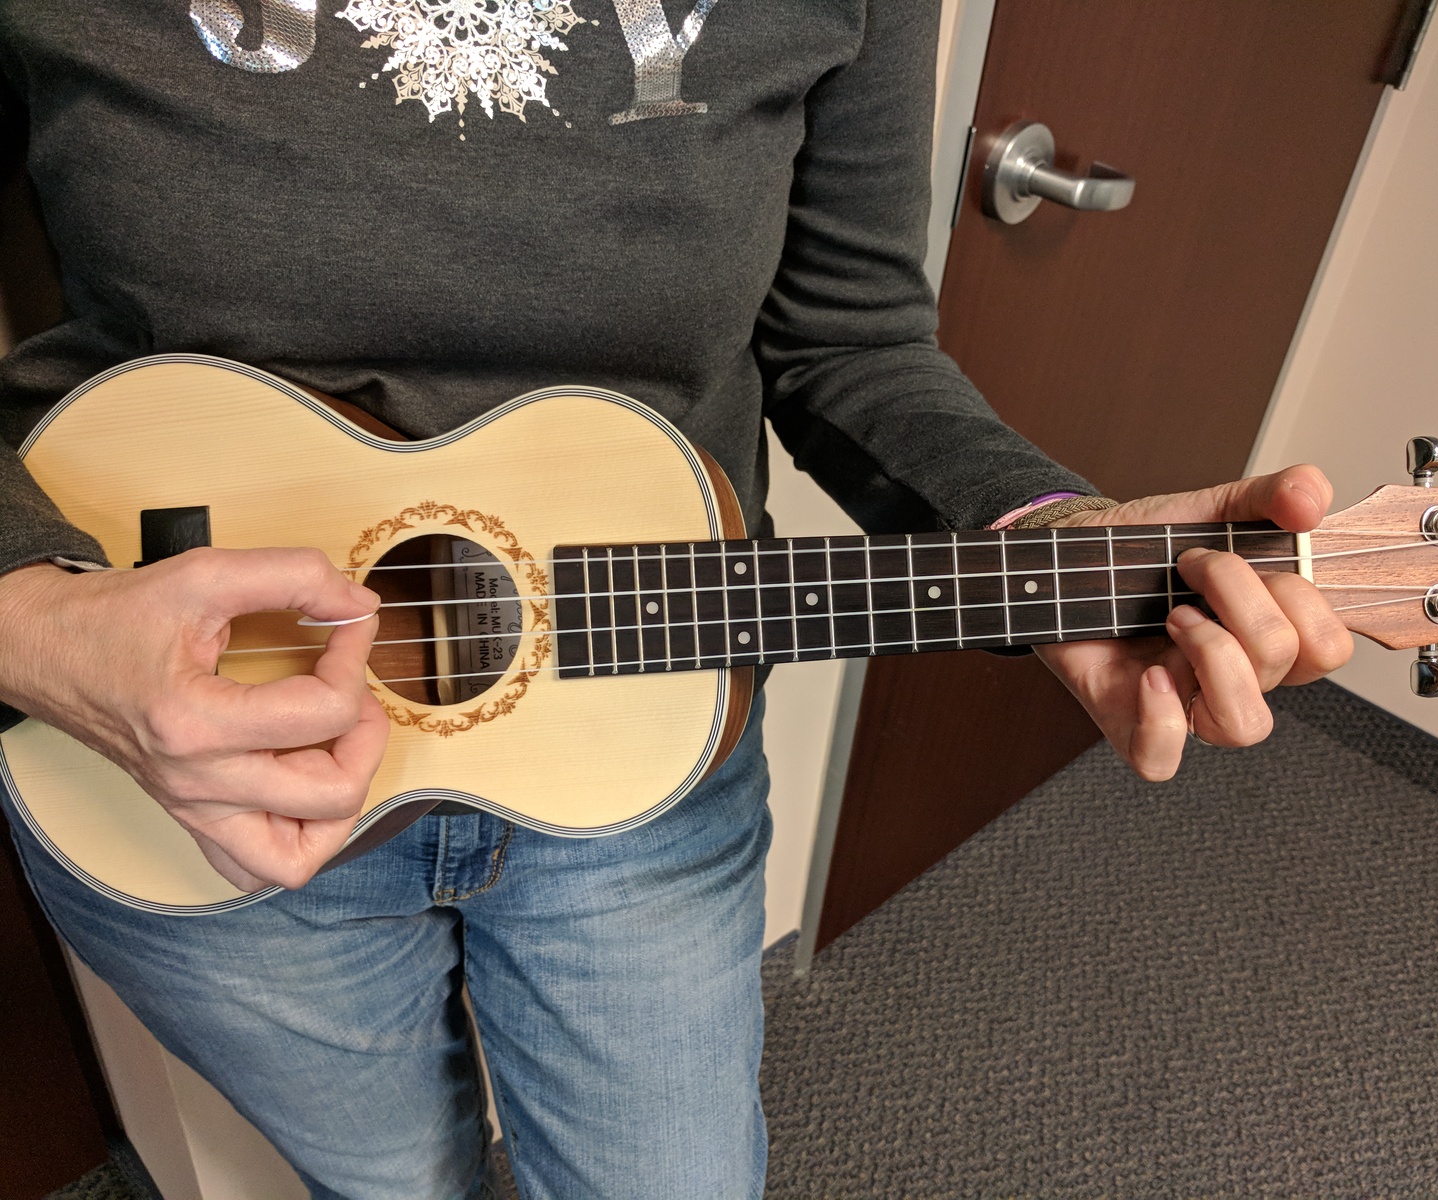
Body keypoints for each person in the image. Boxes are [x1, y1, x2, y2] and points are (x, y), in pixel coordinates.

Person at [0, 2, 1352, 1196]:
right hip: (173, 764)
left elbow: (847, 336)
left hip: (648, 734)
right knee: (385, 1181)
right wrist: (38, 628)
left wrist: (1053, 538)